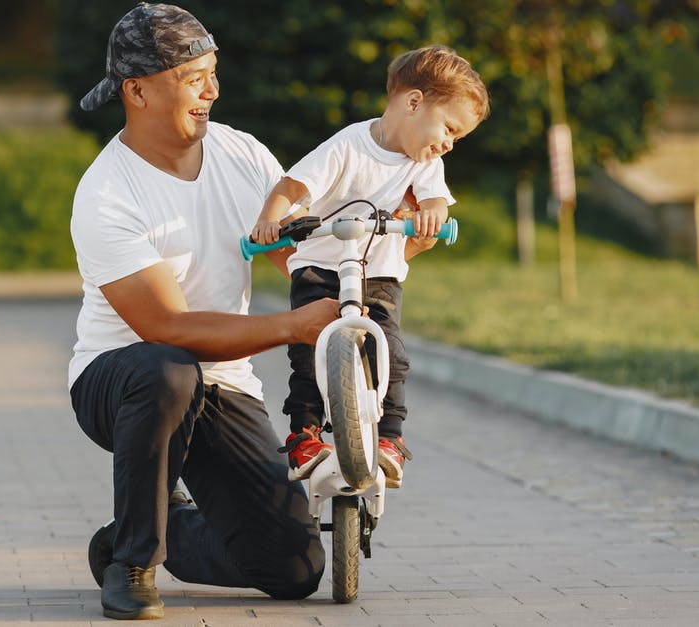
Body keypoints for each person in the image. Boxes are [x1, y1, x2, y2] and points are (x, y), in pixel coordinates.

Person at [67, 2, 342, 621]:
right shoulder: (107, 193)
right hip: (120, 380)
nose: (213, 90)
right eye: (194, 77)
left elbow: (300, 262)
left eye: (213, 72)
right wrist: (292, 327)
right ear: (136, 91)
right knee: (168, 369)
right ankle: (132, 564)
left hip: (221, 383)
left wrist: (386, 246)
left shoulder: (242, 155)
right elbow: (166, 327)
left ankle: (160, 531)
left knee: (294, 570)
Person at [249, 45, 490, 489]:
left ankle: (389, 440)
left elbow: (435, 199)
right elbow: (293, 184)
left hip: (377, 272)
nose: (449, 144)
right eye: (449, 128)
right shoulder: (348, 145)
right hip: (320, 267)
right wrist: (270, 219)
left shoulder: (426, 162)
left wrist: (432, 215)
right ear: (413, 103)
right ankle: (305, 433)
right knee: (307, 350)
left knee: (391, 353)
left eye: (458, 138)